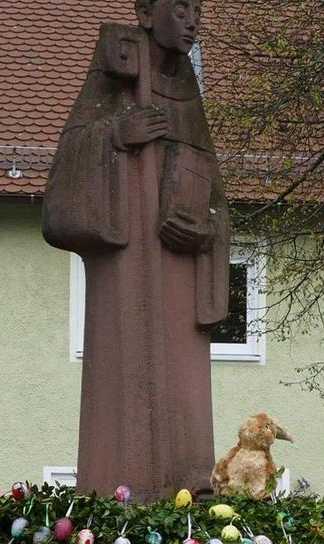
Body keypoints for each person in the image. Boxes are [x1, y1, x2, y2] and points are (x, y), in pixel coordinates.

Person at [42, 0, 230, 502]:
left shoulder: (187, 88)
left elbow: (212, 191)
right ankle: (119, 495)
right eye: (179, 9)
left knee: (183, 398)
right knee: (125, 389)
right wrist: (116, 138)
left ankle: (188, 494)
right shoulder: (115, 72)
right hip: (127, 275)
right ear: (146, 14)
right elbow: (64, 182)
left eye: (197, 10)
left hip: (178, 272)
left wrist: (205, 227)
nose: (192, 21)